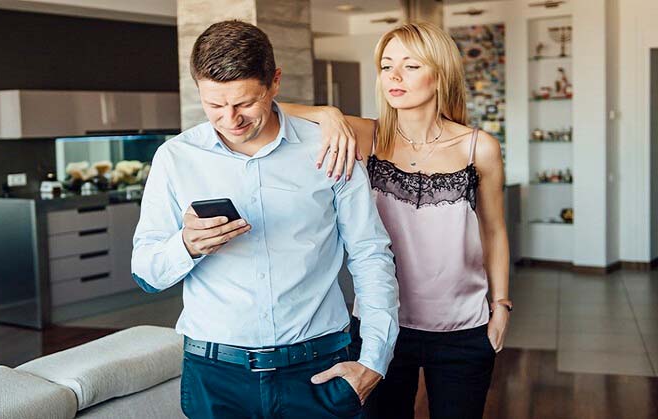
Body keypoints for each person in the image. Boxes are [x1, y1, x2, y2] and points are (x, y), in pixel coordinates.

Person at [131, 20, 399, 419]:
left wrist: (374, 359)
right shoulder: (175, 158)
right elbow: (146, 273)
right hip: (214, 377)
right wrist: (186, 245)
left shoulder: (329, 148)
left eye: (244, 103)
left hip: (318, 371)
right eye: (214, 105)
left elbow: (370, 254)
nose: (230, 119)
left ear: (274, 82)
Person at [280, 21, 511, 419]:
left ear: (441, 74)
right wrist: (328, 114)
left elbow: (494, 230)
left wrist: (501, 305)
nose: (394, 76)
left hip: (463, 328)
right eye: (386, 66)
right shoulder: (366, 137)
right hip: (381, 326)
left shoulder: (479, 147)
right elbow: (267, 108)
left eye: (411, 66)